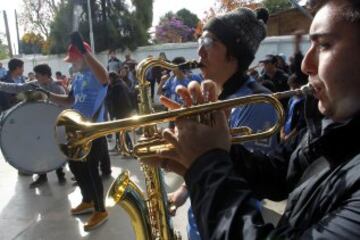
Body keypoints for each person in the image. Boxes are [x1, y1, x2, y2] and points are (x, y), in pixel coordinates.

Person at [150, 0, 360, 238]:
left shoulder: (257, 101)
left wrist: (207, 164)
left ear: (233, 53)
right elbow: (281, 176)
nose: (304, 65)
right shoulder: (330, 125)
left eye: (323, 45)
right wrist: (205, 156)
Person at [158, 7, 278, 240]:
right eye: (200, 40)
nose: (199, 50)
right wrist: (184, 188)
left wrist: (184, 150)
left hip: (229, 224)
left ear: (233, 54)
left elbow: (236, 174)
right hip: (206, 215)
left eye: (209, 42)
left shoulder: (255, 102)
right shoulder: (219, 95)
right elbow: (209, 160)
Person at [46, 32, 109, 231]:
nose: (71, 63)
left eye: (74, 59)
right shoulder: (77, 76)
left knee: (92, 171)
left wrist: (84, 51)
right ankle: (88, 200)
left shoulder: (97, 75)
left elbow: (105, 78)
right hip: (76, 131)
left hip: (93, 131)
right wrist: (46, 94)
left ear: (83, 56)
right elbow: (69, 101)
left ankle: (101, 210)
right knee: (76, 167)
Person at [0, 64, 67, 187]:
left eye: (38, 75)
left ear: (46, 75)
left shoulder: (57, 87)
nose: (35, 77)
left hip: (57, 124)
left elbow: (65, 106)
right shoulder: (34, 84)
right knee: (40, 148)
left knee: (59, 149)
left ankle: (60, 173)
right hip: (39, 125)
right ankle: (42, 176)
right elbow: (16, 88)